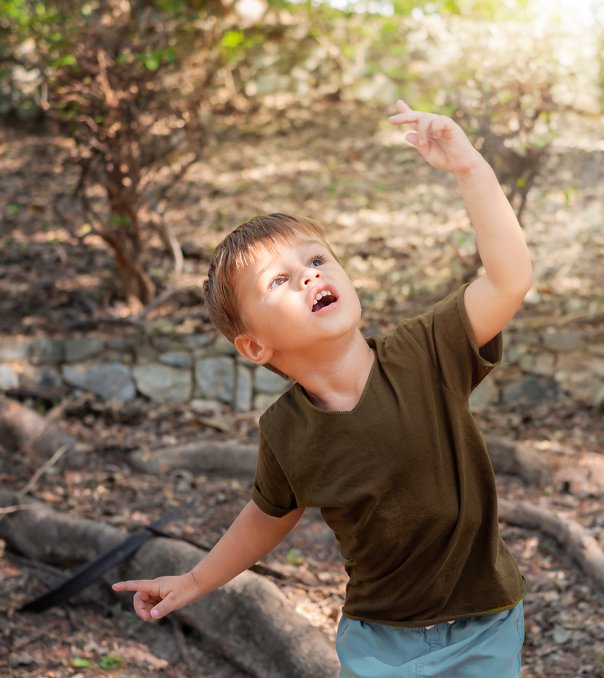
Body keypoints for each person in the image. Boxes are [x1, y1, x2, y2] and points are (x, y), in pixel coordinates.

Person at [113, 100, 532, 677]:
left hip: (484, 622)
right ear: (256, 346)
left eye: (316, 259)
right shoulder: (285, 431)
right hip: (379, 641)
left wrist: (470, 169)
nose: (310, 275)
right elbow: (268, 515)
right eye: (280, 279)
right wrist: (194, 579)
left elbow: (509, 279)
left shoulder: (427, 351)